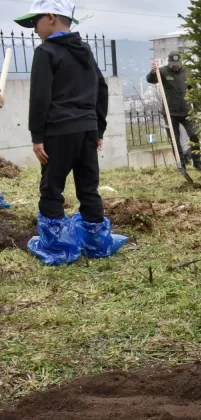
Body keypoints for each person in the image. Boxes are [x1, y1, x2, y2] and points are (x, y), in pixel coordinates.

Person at [14, 0, 127, 266]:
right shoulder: (84, 50)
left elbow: (40, 96)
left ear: (51, 17)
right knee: (88, 186)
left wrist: (37, 136)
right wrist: (98, 128)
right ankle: (96, 243)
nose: (34, 29)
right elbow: (101, 88)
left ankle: (57, 248)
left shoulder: (47, 51)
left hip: (59, 131)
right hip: (87, 129)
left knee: (52, 187)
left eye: (35, 22)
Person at [146, 52, 201, 171]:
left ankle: (197, 161)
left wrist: (196, 108)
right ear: (169, 62)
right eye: (173, 64)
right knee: (175, 140)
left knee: (194, 135)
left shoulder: (187, 72)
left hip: (187, 111)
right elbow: (150, 80)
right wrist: (153, 72)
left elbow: (194, 90)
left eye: (177, 64)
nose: (175, 66)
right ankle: (181, 163)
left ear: (181, 62)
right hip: (170, 113)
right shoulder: (162, 71)